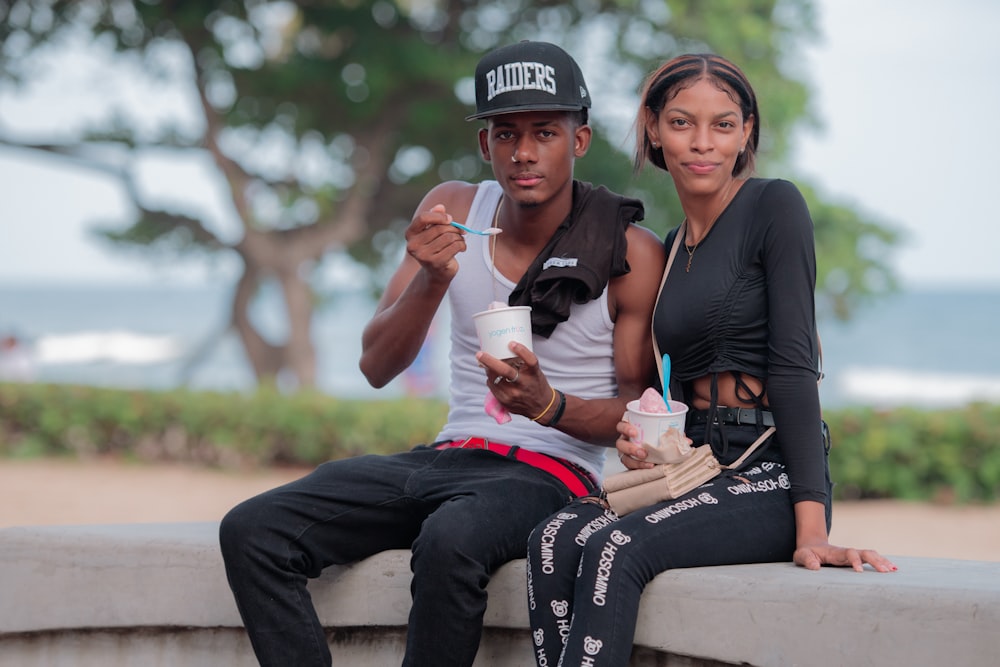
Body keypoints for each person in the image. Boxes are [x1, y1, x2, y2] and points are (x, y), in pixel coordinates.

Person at [219, 40, 666, 667]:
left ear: (581, 140)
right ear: (486, 146)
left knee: (451, 538)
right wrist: (432, 279)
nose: (525, 153)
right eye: (505, 134)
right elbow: (377, 366)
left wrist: (548, 404)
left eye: (546, 132)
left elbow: (637, 414)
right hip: (448, 455)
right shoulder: (456, 209)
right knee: (251, 530)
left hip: (553, 473)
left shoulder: (630, 252)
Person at [525, 53, 898, 667]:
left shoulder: (774, 207)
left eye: (723, 125)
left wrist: (812, 534)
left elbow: (795, 370)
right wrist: (643, 441)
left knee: (616, 549)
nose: (702, 144)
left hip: (768, 476)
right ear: (652, 127)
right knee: (552, 538)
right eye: (681, 123)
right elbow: (663, 392)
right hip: (694, 468)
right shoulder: (670, 251)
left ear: (747, 132)